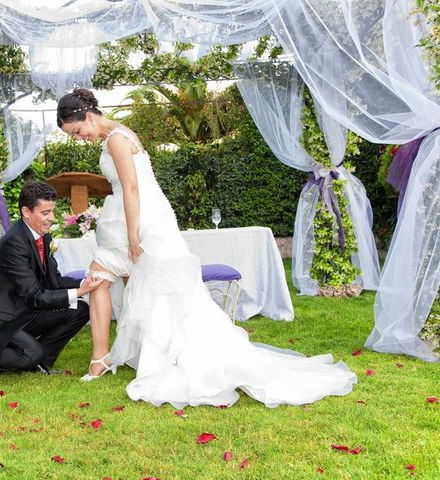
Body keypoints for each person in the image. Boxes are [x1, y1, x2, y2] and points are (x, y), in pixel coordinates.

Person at [57, 88, 357, 408]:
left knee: (131, 284)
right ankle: (123, 355)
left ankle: (114, 357)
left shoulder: (116, 139)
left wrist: (133, 235)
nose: (79, 138)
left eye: (77, 131)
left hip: (141, 221)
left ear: (88, 116)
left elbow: (131, 187)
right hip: (143, 215)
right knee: (136, 285)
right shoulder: (119, 134)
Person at [0, 181, 103, 386]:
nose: (52, 218)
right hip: (2, 318)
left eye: (53, 211)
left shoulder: (43, 237)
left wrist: (85, 281)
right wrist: (81, 290)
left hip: (26, 310)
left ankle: (40, 362)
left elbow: (53, 281)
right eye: (46, 213)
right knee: (31, 354)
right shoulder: (14, 242)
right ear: (26, 212)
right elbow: (36, 295)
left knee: (81, 309)